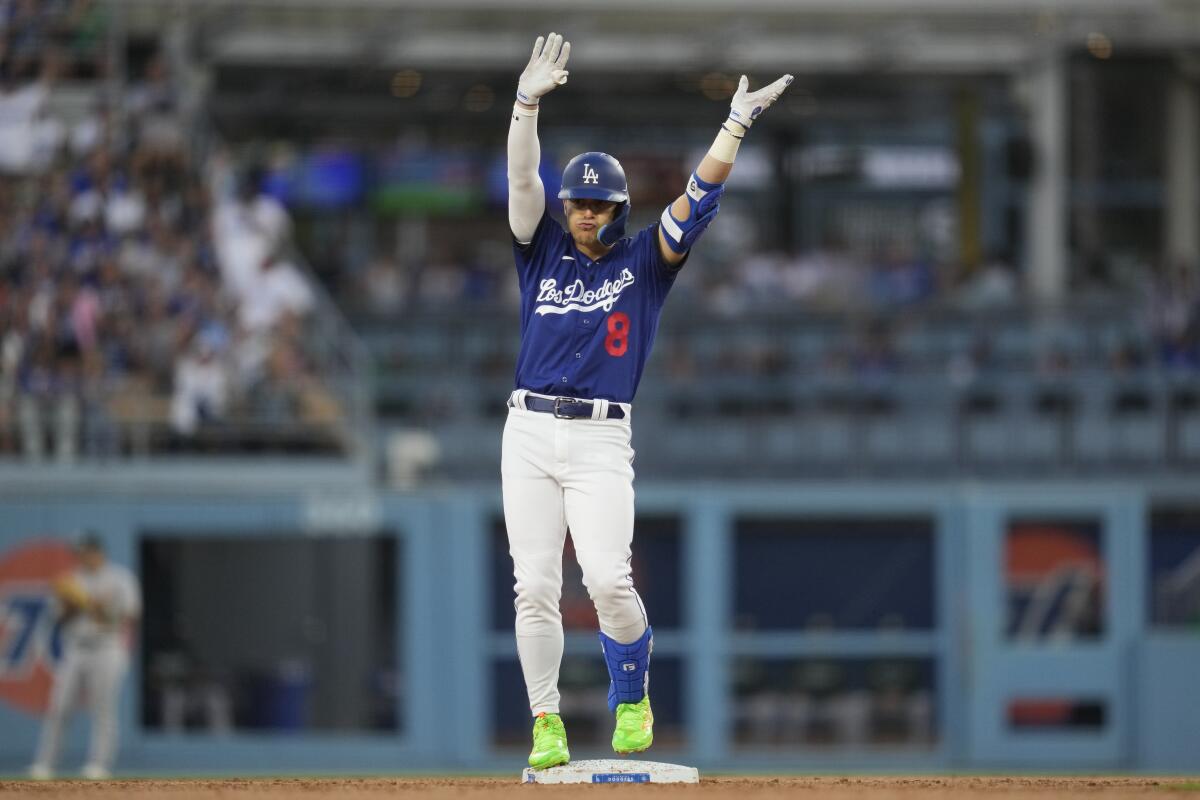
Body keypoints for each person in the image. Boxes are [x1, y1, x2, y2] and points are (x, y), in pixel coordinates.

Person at [503, 31, 791, 769]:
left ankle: (632, 694)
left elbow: (698, 201)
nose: (585, 215)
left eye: (597, 205)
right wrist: (525, 104)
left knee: (606, 577)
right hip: (529, 428)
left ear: (619, 209)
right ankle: (546, 722)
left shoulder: (643, 263)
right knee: (533, 584)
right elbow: (522, 179)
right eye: (579, 204)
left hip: (601, 436)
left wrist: (733, 126)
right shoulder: (540, 250)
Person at [30, 533, 141, 780]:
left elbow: (130, 617)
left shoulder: (119, 578)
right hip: (76, 647)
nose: (82, 556)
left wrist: (98, 607)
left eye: (86, 551)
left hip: (108, 647)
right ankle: (44, 764)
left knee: (103, 708)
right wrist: (72, 605)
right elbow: (57, 619)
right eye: (79, 552)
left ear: (98, 552)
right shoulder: (71, 580)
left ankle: (98, 764)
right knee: (59, 707)